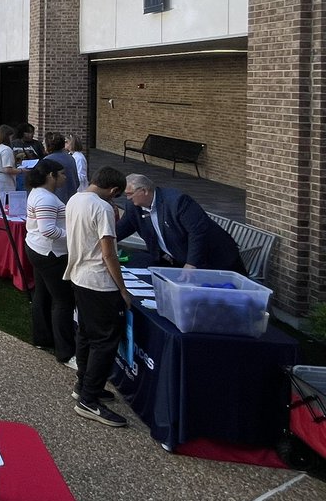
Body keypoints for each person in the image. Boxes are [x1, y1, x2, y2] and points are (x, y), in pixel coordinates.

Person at [64, 165, 131, 427]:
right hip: (99, 282)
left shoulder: (75, 198)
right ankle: (89, 400)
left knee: (86, 334)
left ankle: (84, 385)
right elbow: (108, 253)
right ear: (113, 190)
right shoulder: (102, 207)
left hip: (79, 276)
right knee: (104, 341)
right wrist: (123, 289)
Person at [116, 174, 246, 272]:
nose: (128, 198)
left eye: (130, 194)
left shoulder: (177, 201)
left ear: (144, 190)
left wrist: (191, 263)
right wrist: (101, 241)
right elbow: (121, 229)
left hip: (217, 261)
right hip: (179, 261)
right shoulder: (134, 207)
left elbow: (198, 232)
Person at [24, 160, 75, 367]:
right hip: (50, 253)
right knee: (63, 301)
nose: (65, 177)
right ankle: (65, 352)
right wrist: (73, 234)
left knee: (42, 294)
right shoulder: (46, 199)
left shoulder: (38, 193)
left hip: (37, 248)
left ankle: (43, 338)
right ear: (51, 176)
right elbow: (49, 230)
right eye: (62, 174)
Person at [42, 132, 80, 204]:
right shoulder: (70, 158)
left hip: (55, 200)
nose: (43, 145)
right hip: (71, 199)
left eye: (44, 143)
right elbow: (77, 182)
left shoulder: (47, 160)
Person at [0, 124, 22, 201]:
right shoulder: (6, 149)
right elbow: (7, 169)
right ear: (7, 137)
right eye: (11, 137)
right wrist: (21, 170)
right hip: (4, 185)